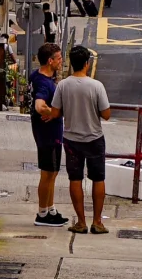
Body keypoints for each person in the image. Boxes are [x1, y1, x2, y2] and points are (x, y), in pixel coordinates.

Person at [50, 44, 111, 234]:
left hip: (71, 139)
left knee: (75, 178)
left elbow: (55, 112)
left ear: (71, 63)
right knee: (98, 178)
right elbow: (106, 114)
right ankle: (98, 222)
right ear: (86, 63)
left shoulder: (63, 85)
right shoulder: (96, 86)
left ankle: (81, 222)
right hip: (94, 137)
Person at [29, 42, 68, 227]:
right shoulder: (43, 82)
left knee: (53, 172)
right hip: (47, 133)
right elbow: (38, 105)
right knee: (47, 173)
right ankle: (42, 213)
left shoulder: (38, 76)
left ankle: (50, 208)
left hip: (52, 132)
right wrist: (51, 112)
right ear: (50, 61)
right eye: (59, 58)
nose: (61, 61)